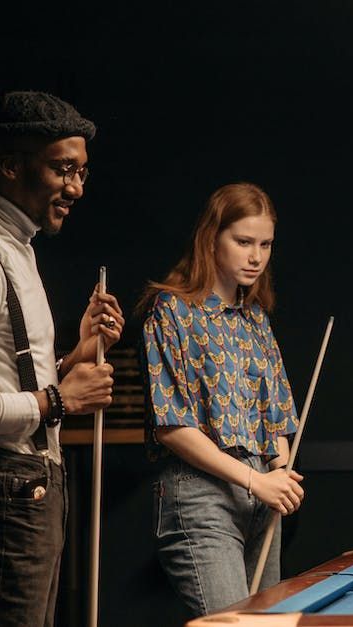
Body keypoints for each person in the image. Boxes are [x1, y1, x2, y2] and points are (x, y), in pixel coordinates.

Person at [0, 91, 121, 626]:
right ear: (11, 165)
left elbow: (8, 374)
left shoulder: (19, 247)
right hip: (2, 493)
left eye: (83, 172)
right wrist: (59, 399)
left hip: (33, 489)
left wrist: (75, 356)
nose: (77, 189)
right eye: (64, 170)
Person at [141, 182, 303, 617]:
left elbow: (276, 420)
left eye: (266, 244)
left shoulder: (256, 319)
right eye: (244, 241)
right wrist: (257, 481)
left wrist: (279, 472)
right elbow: (173, 427)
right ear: (212, 238)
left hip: (262, 498)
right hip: (201, 495)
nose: (256, 256)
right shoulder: (171, 311)